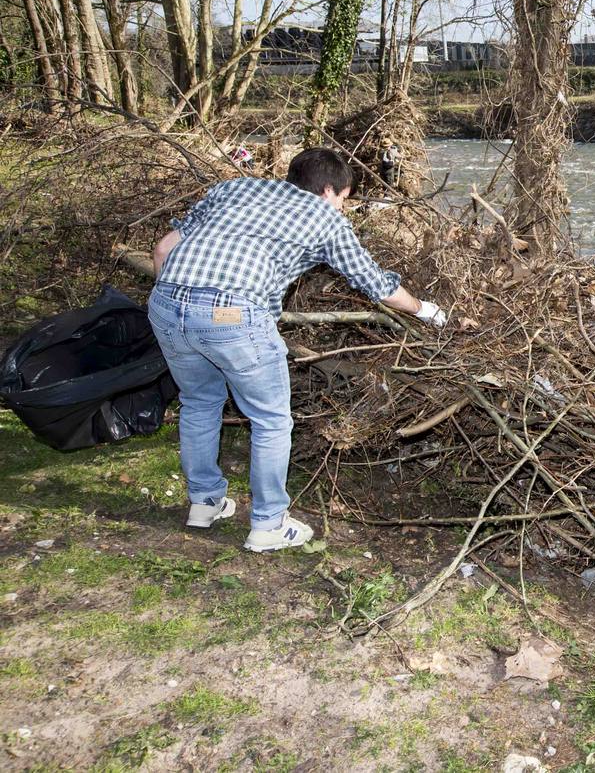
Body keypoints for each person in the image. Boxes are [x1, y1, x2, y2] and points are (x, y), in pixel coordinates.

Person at [148, 148, 447, 553]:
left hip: (167, 303)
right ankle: (268, 524)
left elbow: (165, 248)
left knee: (199, 403)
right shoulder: (324, 218)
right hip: (232, 315)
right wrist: (426, 311)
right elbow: (375, 283)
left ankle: (204, 504)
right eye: (344, 198)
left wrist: (184, 305)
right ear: (328, 190)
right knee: (271, 419)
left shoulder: (235, 187)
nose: (344, 207)